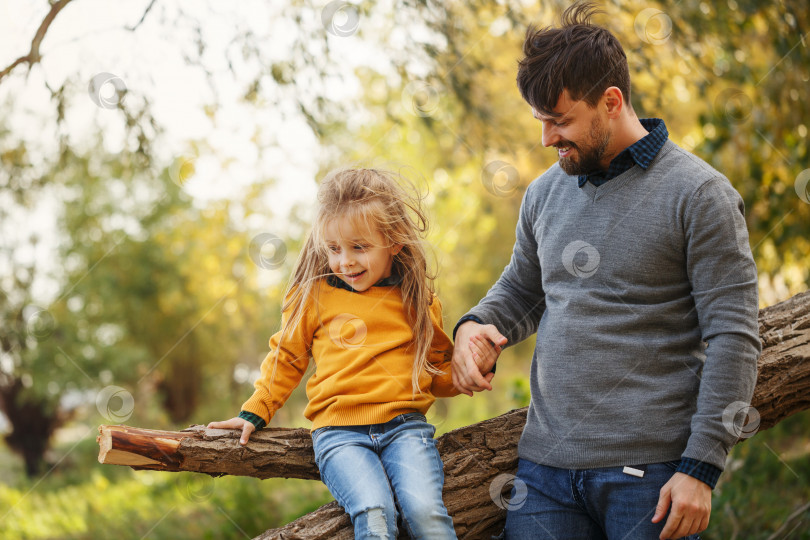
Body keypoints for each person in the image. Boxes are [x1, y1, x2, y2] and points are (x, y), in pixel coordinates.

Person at [451, 3, 761, 540]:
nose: (547, 138)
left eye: (561, 121)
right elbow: (523, 291)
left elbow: (734, 337)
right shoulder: (545, 193)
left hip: (652, 478)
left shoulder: (699, 195)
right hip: (544, 476)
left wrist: (701, 468)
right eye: (541, 121)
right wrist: (472, 326)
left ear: (611, 102)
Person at [209, 168, 497, 540]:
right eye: (333, 249)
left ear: (394, 241)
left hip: (405, 430)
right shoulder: (314, 295)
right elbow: (287, 356)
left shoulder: (418, 300)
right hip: (339, 434)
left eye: (359, 248)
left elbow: (431, 373)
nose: (345, 261)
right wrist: (256, 409)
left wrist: (468, 371)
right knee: (376, 513)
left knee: (426, 512)